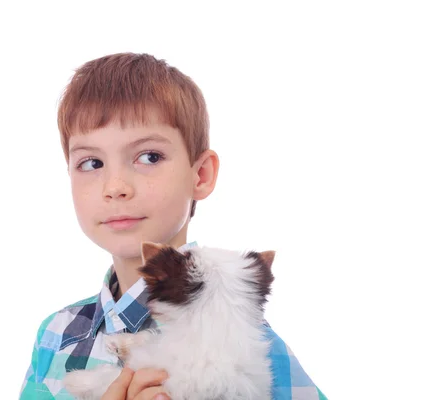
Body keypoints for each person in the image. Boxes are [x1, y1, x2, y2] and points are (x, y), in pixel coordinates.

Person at [19, 52, 327, 400]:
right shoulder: (57, 335)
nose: (115, 186)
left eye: (149, 157)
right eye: (91, 162)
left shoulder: (251, 344)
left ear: (201, 175)